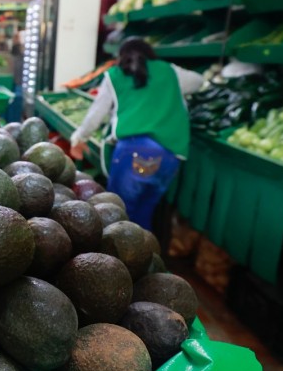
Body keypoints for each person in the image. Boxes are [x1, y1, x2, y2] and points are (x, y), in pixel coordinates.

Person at [70, 38, 203, 230]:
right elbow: (199, 81)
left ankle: (116, 258)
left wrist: (79, 137)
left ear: (121, 56)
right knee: (145, 210)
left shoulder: (115, 75)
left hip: (135, 152)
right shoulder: (169, 70)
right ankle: (142, 257)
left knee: (118, 213)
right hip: (170, 154)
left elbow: (95, 114)